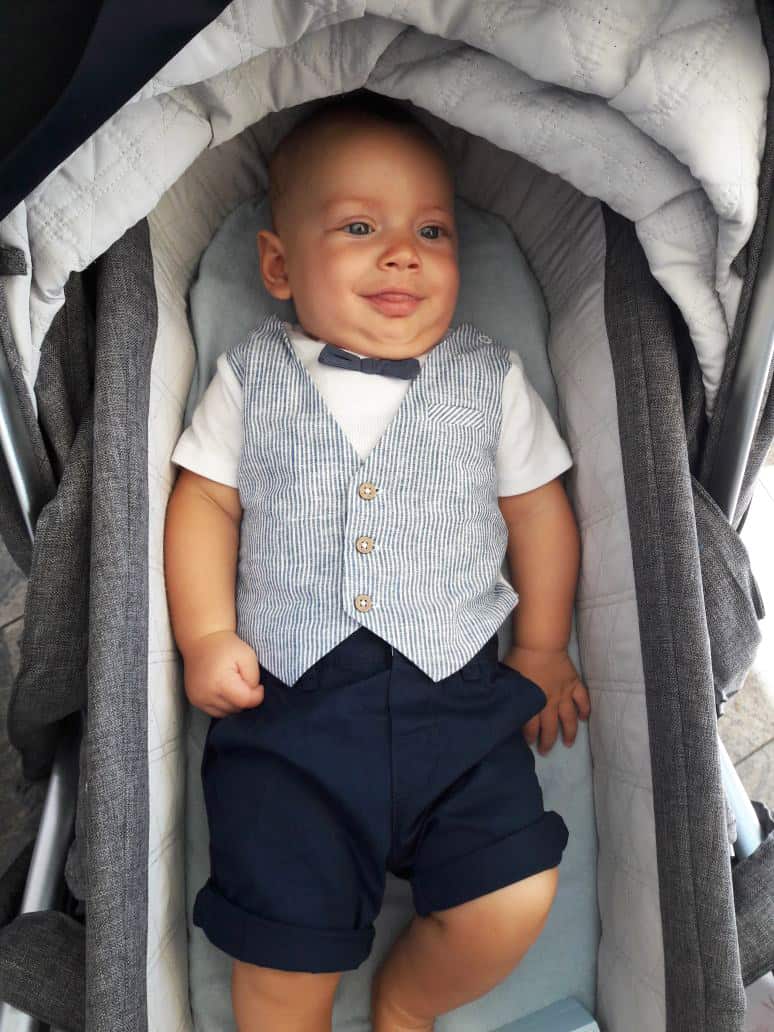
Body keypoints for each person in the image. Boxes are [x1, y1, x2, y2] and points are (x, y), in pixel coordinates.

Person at [164, 91, 591, 1032]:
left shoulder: (491, 378)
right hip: (288, 725)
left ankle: (408, 999)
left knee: (516, 893)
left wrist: (545, 646)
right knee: (275, 960)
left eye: (433, 230)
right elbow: (202, 500)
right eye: (360, 226)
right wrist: (205, 633)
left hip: (461, 713)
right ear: (277, 265)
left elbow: (538, 512)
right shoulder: (251, 378)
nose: (404, 252)